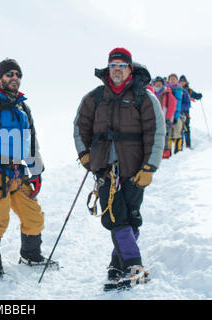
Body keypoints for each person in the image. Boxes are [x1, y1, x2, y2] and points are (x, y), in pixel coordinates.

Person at [73, 48, 165, 289]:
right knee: (113, 216)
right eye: (112, 64)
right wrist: (84, 156)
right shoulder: (94, 97)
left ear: (129, 68)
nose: (116, 69)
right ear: (108, 68)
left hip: (135, 170)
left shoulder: (144, 98)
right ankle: (134, 264)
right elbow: (79, 126)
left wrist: (149, 167)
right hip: (105, 169)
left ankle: (118, 265)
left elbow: (156, 134)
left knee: (130, 217)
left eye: (121, 65)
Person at [0, 58, 57, 286]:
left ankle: (31, 255)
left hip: (19, 173)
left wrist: (37, 172)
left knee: (33, 216)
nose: (14, 78)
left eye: (17, 74)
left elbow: (32, 141)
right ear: (0, 78)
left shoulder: (23, 107)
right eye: (9, 74)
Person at [153, 76, 177, 158]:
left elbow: (172, 106)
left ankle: (165, 153)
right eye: (156, 83)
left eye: (160, 83)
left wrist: (168, 119)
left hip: (164, 118)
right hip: (154, 118)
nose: (158, 84)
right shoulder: (152, 93)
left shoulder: (167, 93)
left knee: (165, 136)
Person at [179, 75, 203, 149]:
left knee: (186, 128)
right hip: (177, 111)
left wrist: (199, 96)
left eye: (183, 81)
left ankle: (188, 145)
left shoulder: (189, 90)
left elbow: (195, 95)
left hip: (186, 111)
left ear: (186, 82)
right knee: (180, 129)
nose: (182, 83)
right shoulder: (176, 89)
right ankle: (180, 145)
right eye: (181, 81)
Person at [167, 74, 184, 154]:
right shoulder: (165, 90)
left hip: (178, 114)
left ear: (177, 80)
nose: (173, 80)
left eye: (174, 79)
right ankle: (168, 151)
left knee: (177, 132)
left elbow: (184, 103)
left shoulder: (181, 90)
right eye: (171, 79)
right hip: (168, 114)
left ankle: (178, 151)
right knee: (169, 133)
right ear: (168, 80)